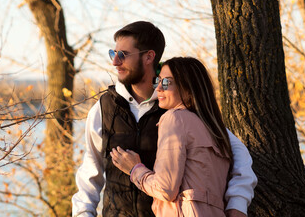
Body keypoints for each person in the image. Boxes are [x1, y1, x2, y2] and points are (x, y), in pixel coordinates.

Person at [72, 21, 257, 217]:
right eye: (113, 53)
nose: (115, 62)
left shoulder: (178, 105)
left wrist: (237, 206)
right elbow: (90, 172)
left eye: (122, 55)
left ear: (149, 56)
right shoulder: (103, 108)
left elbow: (239, 158)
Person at [111, 57, 234, 216]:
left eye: (167, 82)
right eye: (158, 80)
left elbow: (165, 189)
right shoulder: (216, 131)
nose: (158, 88)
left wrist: (135, 169)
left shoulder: (175, 118)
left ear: (188, 89)